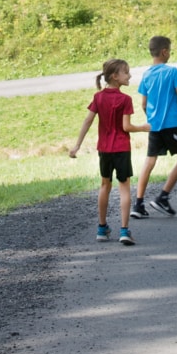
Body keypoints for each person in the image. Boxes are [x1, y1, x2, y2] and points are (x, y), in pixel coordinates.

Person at [68, 58, 148, 245]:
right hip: (121, 148)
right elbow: (126, 127)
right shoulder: (125, 100)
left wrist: (77, 145)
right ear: (115, 76)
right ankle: (124, 230)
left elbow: (87, 121)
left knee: (105, 185)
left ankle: (102, 228)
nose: (130, 75)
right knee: (124, 187)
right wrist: (144, 127)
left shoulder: (98, 97)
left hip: (104, 149)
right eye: (126, 72)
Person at [133, 36, 177, 218]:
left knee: (150, 161)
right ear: (164, 52)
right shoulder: (173, 72)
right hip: (173, 126)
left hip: (154, 126)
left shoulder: (146, 75)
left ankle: (138, 204)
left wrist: (152, 118)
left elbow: (143, 104)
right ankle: (163, 196)